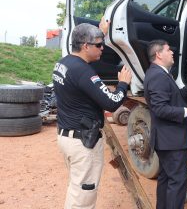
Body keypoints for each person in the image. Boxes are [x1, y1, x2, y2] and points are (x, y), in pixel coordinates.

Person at [52, 18, 132, 209]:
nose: (103, 48)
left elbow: (84, 74)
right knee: (83, 197)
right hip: (83, 144)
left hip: (67, 137)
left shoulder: (64, 63)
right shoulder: (83, 71)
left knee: (77, 189)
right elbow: (111, 103)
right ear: (86, 46)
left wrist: (101, 32)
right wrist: (123, 84)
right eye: (99, 45)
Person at [143, 39, 187, 209]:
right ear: (158, 54)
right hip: (171, 141)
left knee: (166, 179)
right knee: (178, 182)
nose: (172, 52)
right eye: (168, 49)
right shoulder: (158, 76)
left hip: (166, 139)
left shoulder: (158, 73)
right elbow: (160, 108)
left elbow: (174, 97)